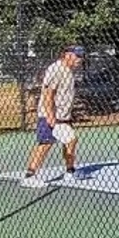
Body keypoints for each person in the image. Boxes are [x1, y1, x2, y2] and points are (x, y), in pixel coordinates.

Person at [21, 46, 85, 188]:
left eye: (81, 57)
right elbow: (48, 94)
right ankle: (29, 176)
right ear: (67, 55)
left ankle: (70, 171)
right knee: (45, 143)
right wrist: (50, 117)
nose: (80, 60)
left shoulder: (68, 71)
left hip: (63, 116)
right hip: (50, 115)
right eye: (77, 56)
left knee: (71, 140)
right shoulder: (56, 69)